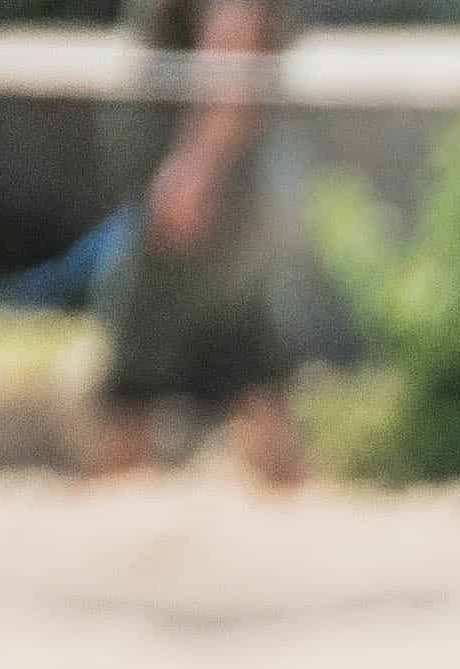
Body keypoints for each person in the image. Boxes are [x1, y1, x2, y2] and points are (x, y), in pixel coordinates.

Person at [95, 0, 322, 483]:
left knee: (135, 387)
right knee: (254, 373)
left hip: (203, 193)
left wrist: (197, 167)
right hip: (209, 184)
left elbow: (235, 34)